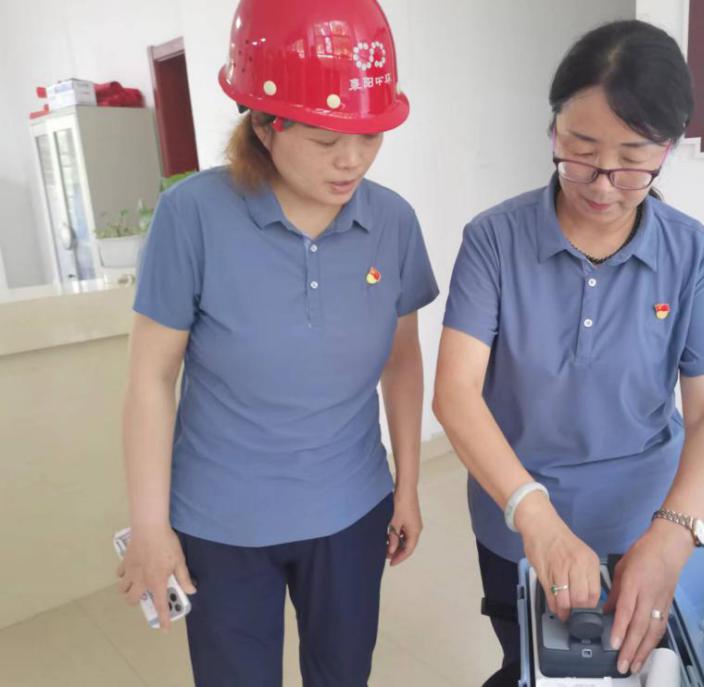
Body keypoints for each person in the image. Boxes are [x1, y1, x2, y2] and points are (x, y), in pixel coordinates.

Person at [116, 1, 438, 685]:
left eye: (370, 135)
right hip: (221, 523)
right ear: (264, 124)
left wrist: (408, 486)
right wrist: (150, 525)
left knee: (343, 673)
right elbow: (150, 379)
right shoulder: (191, 216)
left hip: (351, 508)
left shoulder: (392, 222)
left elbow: (402, 359)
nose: (352, 160)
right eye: (324, 141)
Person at [433, 20, 704, 684]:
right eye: (580, 149)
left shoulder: (691, 255)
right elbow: (455, 393)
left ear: (667, 149)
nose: (602, 183)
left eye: (632, 159)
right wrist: (534, 516)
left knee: (634, 668)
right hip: (515, 515)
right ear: (552, 131)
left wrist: (671, 535)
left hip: (642, 524)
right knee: (529, 663)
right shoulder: (493, 241)